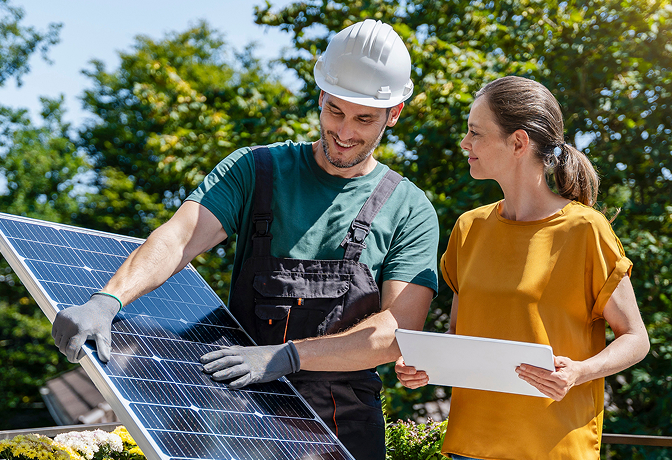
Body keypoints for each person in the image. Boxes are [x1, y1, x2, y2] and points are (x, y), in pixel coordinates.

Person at [50, 19, 438, 460]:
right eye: (335, 111)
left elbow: (395, 331)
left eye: (364, 118)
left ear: (395, 113)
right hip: (239, 418)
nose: (345, 131)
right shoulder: (255, 170)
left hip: (342, 430)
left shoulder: (409, 208)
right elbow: (179, 239)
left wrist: (286, 356)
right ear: (320, 96)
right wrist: (108, 299)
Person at [394, 76, 650, 460]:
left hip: (554, 449)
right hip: (470, 447)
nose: (465, 143)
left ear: (517, 142)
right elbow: (461, 335)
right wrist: (427, 365)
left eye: (475, 133)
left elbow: (635, 338)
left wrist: (579, 371)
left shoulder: (585, 230)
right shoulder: (469, 229)